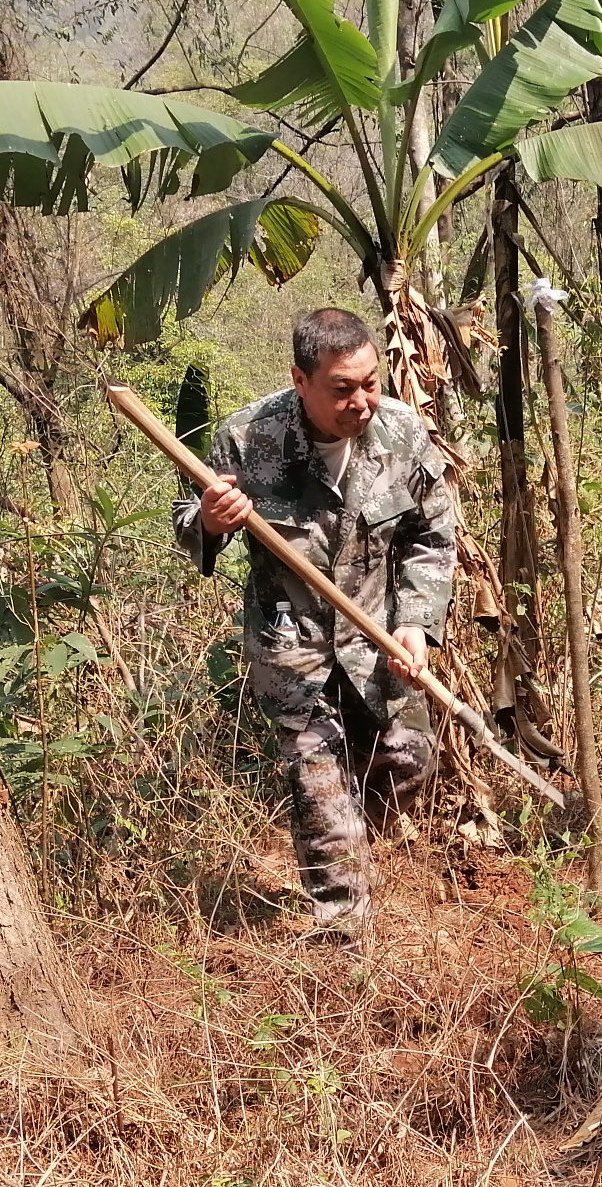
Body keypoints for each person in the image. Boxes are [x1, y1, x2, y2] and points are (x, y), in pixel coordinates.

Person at [177, 308, 456, 943]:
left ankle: (358, 835)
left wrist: (416, 623)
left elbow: (432, 538)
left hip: (378, 638)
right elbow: (189, 523)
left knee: (408, 763)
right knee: (318, 783)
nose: (361, 402)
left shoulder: (404, 434)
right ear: (300, 379)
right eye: (341, 389)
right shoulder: (247, 437)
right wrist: (213, 521)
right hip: (291, 646)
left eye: (371, 383)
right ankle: (343, 934)